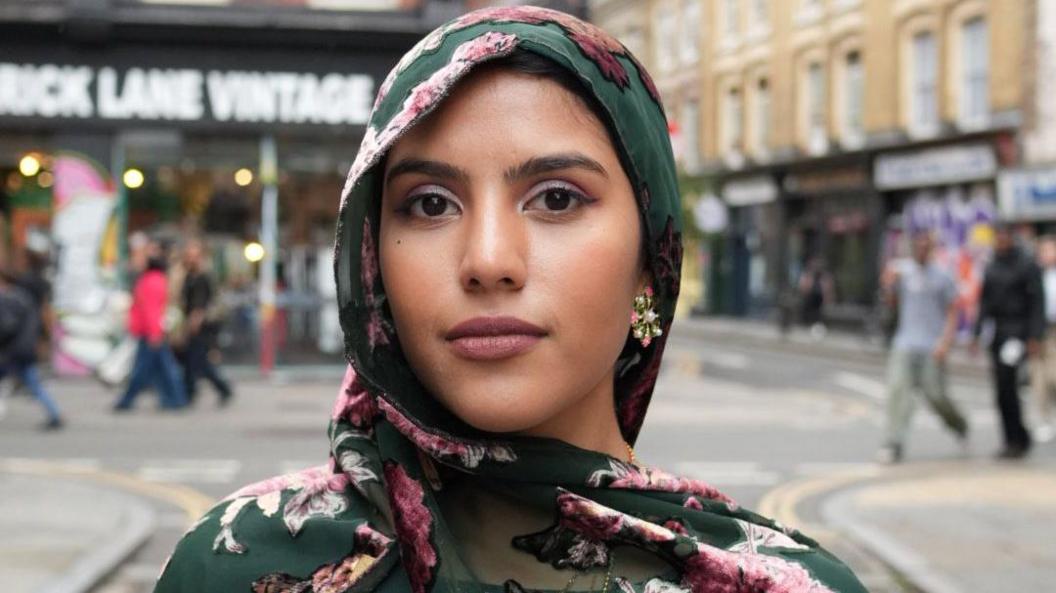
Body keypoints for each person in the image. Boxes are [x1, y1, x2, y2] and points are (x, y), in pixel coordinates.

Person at [154, 8, 866, 593]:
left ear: (652, 262)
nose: (489, 260)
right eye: (429, 204)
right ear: (372, 263)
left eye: (556, 198)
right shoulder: (233, 565)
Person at [876, 232, 968, 463]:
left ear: (932, 248)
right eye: (918, 246)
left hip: (931, 345)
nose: (922, 250)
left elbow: (953, 311)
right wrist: (888, 285)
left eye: (926, 246)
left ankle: (959, 424)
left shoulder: (943, 276)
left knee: (936, 395)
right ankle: (893, 442)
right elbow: (890, 303)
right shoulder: (902, 271)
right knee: (898, 391)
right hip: (905, 342)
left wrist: (945, 342)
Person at [972, 224, 1044, 459]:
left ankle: (1018, 438)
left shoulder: (1026, 264)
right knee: (1001, 390)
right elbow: (984, 302)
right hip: (999, 333)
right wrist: (976, 332)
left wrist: (1035, 335)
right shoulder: (992, 266)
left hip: (1018, 332)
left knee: (1009, 383)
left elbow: (1037, 303)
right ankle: (1013, 437)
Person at [113, 248, 186, 411]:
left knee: (144, 369)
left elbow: (151, 310)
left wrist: (154, 333)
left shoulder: (151, 282)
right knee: (163, 369)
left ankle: (127, 400)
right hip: (151, 332)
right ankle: (174, 398)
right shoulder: (156, 280)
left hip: (150, 334)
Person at [0, 270, 63, 429]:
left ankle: (55, 414)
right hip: (25, 348)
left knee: (33, 383)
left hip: (14, 350)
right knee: (33, 383)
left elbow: (7, 326)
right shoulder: (26, 299)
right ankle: (54, 414)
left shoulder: (10, 299)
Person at [178, 240, 232, 406]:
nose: (191, 259)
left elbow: (199, 306)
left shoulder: (202, 277)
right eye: (189, 256)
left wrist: (193, 325)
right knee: (193, 361)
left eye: (195, 256)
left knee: (197, 361)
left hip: (201, 326)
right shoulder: (189, 276)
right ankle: (193, 392)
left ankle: (218, 389)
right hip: (192, 323)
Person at [1030, 235, 1056, 442]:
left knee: (1053, 376)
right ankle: (1045, 419)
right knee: (1039, 379)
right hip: (1039, 331)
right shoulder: (1033, 275)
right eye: (1045, 251)